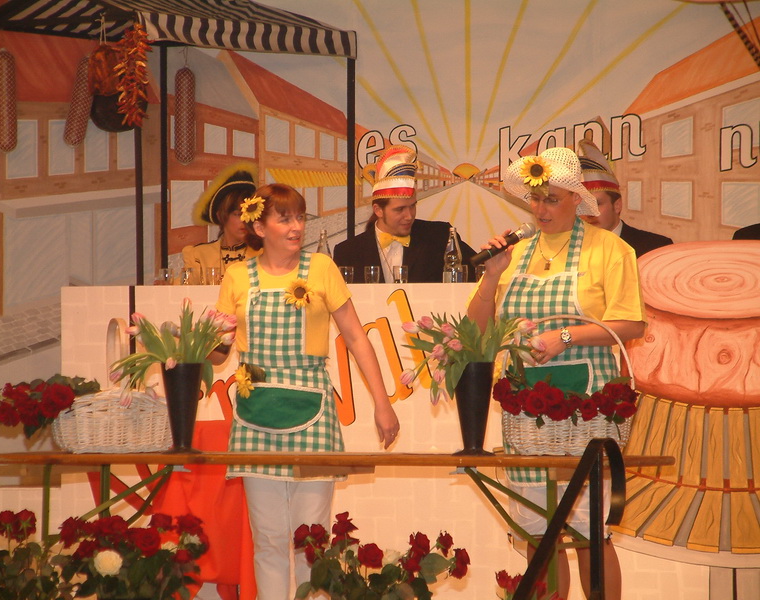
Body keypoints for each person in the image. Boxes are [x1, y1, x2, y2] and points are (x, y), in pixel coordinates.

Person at [467, 146, 646, 600]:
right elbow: (475, 330)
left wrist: (565, 336)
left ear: (575, 200)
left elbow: (630, 325)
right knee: (538, 531)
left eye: (551, 199)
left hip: (589, 408)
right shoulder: (515, 254)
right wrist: (491, 276)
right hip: (526, 412)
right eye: (535, 198)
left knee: (590, 532)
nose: (540, 208)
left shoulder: (611, 249)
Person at [210, 183, 400, 599]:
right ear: (259, 227)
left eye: (300, 217)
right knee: (268, 540)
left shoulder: (321, 268)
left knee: (311, 543)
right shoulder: (237, 276)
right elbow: (218, 352)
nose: (296, 227)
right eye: (285, 219)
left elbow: (356, 337)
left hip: (314, 412)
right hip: (254, 417)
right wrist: (196, 342)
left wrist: (382, 404)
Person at [332, 145, 475, 282]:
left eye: (412, 206)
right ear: (378, 210)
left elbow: (477, 271)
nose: (409, 216)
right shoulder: (347, 253)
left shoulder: (440, 237)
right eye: (399, 209)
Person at [577, 140, 673, 258]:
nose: (588, 213)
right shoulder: (568, 250)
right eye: (582, 206)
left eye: (596, 204)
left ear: (617, 205)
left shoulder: (655, 247)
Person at [182, 162, 262, 281]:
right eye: (238, 214)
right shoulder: (198, 255)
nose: (245, 220)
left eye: (248, 214)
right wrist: (163, 287)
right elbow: (182, 288)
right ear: (220, 216)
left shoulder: (263, 253)